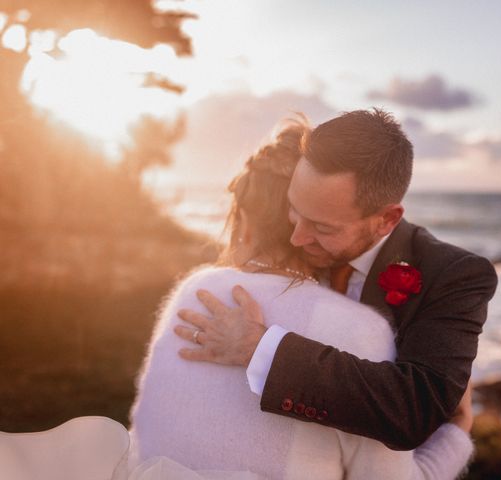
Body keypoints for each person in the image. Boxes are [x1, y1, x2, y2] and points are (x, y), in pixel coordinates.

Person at [129, 119, 475, 479]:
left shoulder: (192, 291)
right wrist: (457, 433)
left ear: (244, 218)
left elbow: (146, 433)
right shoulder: (360, 331)